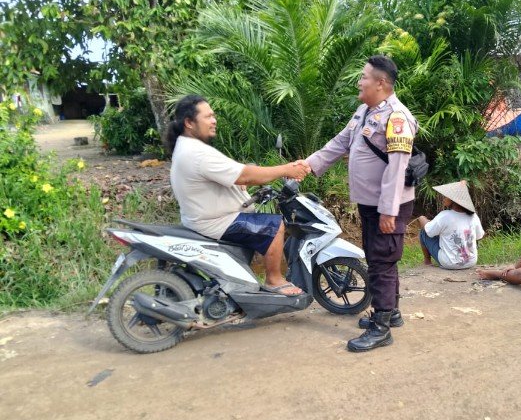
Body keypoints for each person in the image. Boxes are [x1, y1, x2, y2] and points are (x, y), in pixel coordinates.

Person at [305, 55, 417, 352]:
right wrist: (309, 165)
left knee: (381, 262)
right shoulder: (364, 111)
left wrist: (388, 210)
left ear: (380, 83)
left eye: (364, 76)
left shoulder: (397, 117)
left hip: (387, 205)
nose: (359, 81)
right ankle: (391, 312)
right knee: (378, 257)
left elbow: (396, 167)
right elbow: (340, 143)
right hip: (370, 203)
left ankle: (381, 328)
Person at [165, 94, 310, 296]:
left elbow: (234, 173)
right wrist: (287, 169)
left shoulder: (189, 147)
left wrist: (243, 177)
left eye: (213, 115)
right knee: (275, 225)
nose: (214, 120)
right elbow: (245, 176)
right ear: (189, 123)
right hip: (215, 222)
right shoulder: (196, 153)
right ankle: (274, 280)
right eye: (207, 117)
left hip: (206, 218)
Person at [417, 181, 485, 269]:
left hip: (449, 263)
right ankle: (466, 257)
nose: (443, 198)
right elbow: (479, 236)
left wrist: (422, 218)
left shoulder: (444, 215)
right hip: (471, 262)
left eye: (446, 196)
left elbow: (428, 231)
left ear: (453, 200)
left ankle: (427, 261)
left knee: (423, 232)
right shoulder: (473, 216)